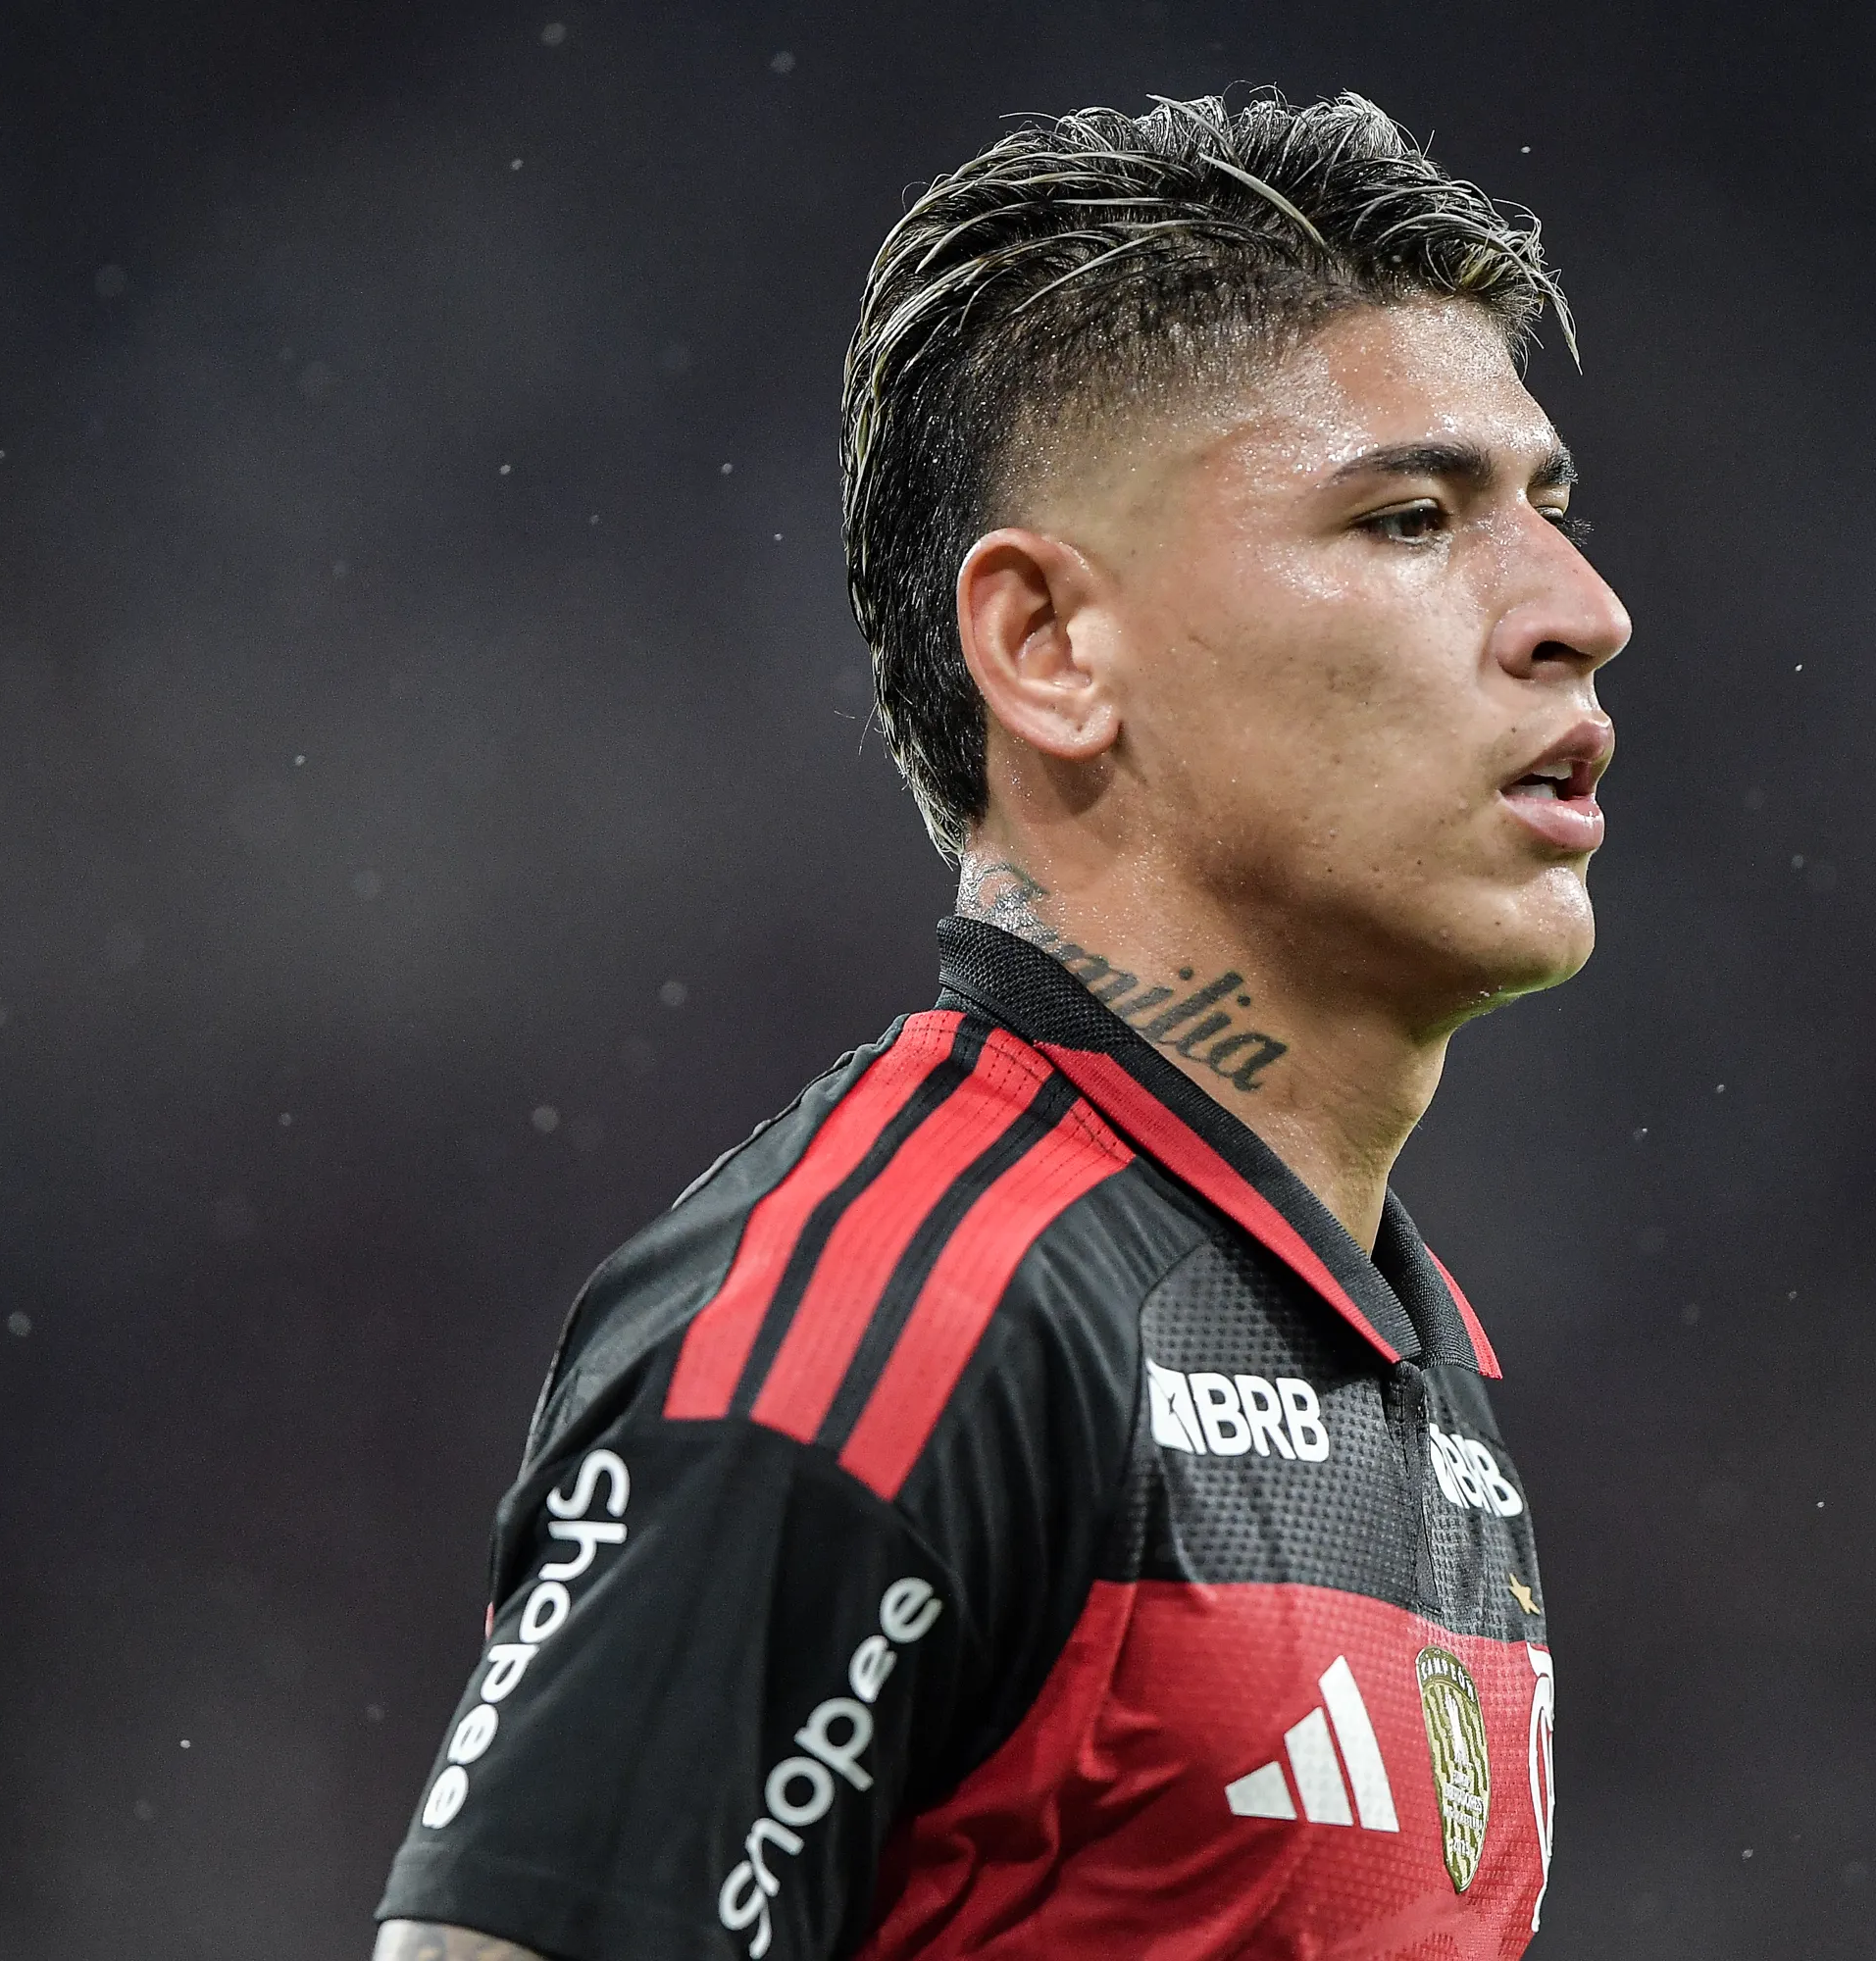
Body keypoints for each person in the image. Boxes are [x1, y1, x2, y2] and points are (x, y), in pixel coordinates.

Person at [373, 89, 1630, 1961]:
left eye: (1549, 512)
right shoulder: (901, 1319)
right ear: (1050, 646)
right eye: (1409, 517)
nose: (1580, 612)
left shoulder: (1384, 1349)